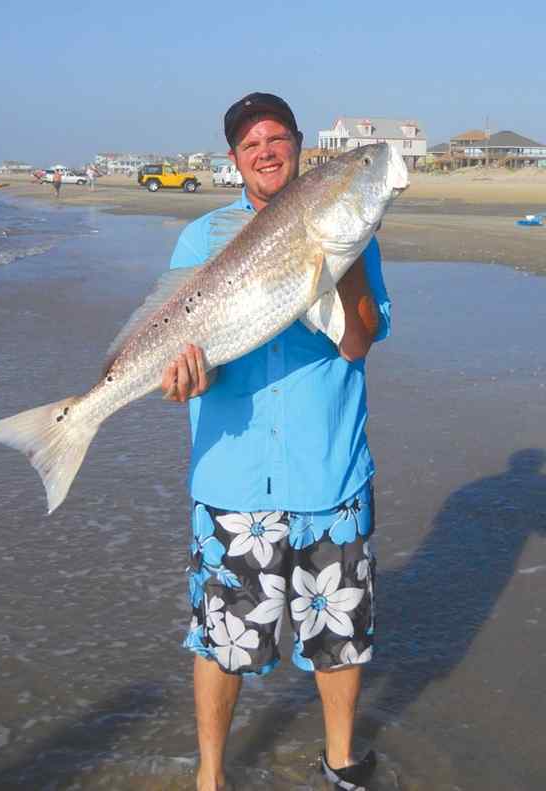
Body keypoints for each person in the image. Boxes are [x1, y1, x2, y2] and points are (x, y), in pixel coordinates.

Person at [163, 92, 391, 791]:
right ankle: (211, 776)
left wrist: (340, 249)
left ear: (296, 146)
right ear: (235, 159)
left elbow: (356, 342)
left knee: (340, 636)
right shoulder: (203, 239)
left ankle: (342, 760)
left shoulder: (356, 236)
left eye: (277, 137)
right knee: (222, 640)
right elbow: (186, 361)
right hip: (236, 480)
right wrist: (182, 377)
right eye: (250, 142)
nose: (266, 150)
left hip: (330, 472)